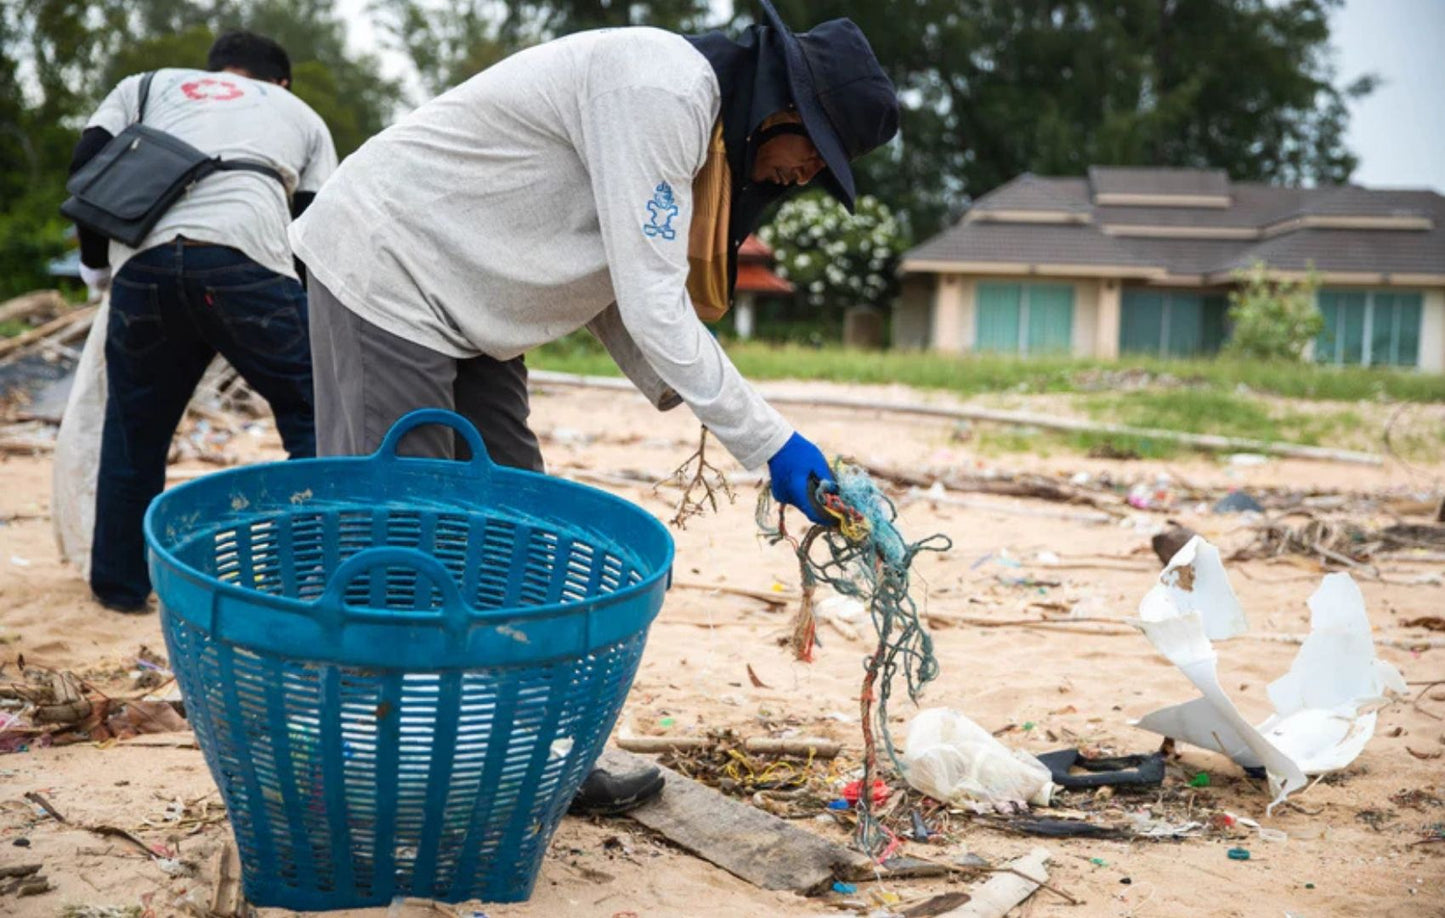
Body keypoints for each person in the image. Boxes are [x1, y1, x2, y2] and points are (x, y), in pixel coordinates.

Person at [290, 2, 898, 811]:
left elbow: (620, 289)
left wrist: (704, 410)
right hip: (388, 263)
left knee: (519, 530)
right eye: (813, 157)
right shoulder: (664, 91)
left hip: (471, 302)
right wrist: (773, 446)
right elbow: (651, 305)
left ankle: (535, 764)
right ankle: (380, 779)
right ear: (786, 112)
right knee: (408, 533)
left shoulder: (699, 127)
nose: (802, 177)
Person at [70, 31, 338, 613]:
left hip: (144, 269)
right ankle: (309, 573)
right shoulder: (302, 114)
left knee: (133, 432)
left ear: (215, 70)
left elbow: (85, 165)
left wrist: (96, 269)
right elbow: (314, 226)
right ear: (280, 81)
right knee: (318, 415)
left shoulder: (148, 86)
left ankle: (118, 588)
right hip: (246, 264)